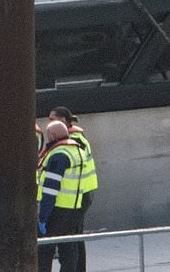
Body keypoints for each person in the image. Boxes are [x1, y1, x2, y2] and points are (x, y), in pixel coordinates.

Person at [50, 107, 96, 272]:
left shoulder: (74, 141)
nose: (49, 123)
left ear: (62, 121)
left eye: (51, 119)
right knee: (75, 236)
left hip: (78, 195)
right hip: (83, 193)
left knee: (69, 238)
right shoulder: (79, 138)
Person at [37, 121, 87, 272]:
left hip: (56, 210)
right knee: (68, 249)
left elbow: (51, 189)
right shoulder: (77, 151)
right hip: (74, 209)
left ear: (52, 135)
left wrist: (43, 217)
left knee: (44, 252)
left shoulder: (59, 155)